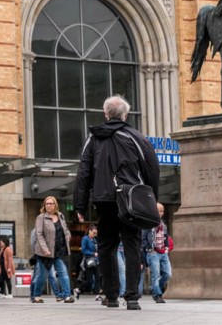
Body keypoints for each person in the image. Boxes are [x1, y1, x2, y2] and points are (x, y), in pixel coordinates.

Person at [74, 95, 160, 311]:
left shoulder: (93, 139)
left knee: (106, 246)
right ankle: (132, 298)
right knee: (132, 245)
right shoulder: (137, 137)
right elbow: (152, 169)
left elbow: (83, 172)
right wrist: (152, 199)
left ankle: (111, 295)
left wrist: (80, 205)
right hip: (131, 199)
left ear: (106, 114)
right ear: (125, 115)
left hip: (105, 200)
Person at [32, 195, 75, 303]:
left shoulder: (60, 216)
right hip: (45, 252)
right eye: (47, 203)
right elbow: (39, 234)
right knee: (43, 275)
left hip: (59, 249)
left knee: (63, 272)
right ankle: (36, 295)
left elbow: (65, 229)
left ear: (55, 205)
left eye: (51, 203)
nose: (48, 205)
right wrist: (45, 249)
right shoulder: (41, 217)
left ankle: (67, 296)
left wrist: (68, 235)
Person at [144, 203, 173, 303]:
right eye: (160, 210)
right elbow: (143, 238)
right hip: (154, 253)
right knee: (155, 275)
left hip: (163, 252)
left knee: (167, 274)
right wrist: (148, 248)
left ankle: (156, 288)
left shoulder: (162, 223)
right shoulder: (148, 223)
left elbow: (166, 236)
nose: (162, 213)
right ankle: (157, 295)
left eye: (163, 211)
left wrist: (166, 248)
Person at [28, 227, 60, 303]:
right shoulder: (35, 231)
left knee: (52, 275)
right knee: (37, 276)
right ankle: (33, 296)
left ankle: (57, 295)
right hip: (40, 257)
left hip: (49, 256)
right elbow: (33, 243)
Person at [80, 225, 99, 296]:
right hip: (89, 260)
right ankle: (79, 288)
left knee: (97, 277)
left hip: (96, 260)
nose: (95, 235)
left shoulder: (95, 240)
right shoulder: (85, 239)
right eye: (94, 233)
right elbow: (83, 250)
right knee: (89, 280)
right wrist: (93, 254)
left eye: (96, 233)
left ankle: (96, 293)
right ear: (89, 231)